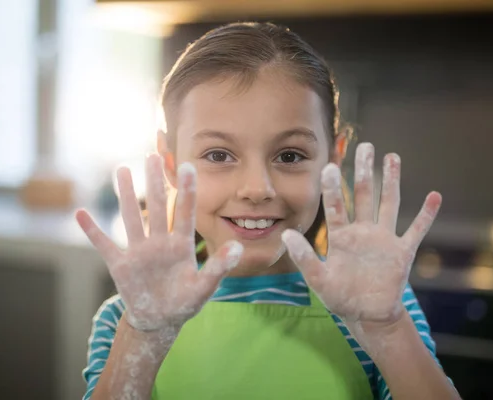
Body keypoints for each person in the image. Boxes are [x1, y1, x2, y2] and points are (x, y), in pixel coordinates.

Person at [77, 22, 460, 400]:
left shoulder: (377, 303)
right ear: (171, 164)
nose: (257, 188)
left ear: (334, 156)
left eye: (290, 155)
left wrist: (388, 330)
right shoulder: (128, 318)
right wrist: (142, 337)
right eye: (218, 155)